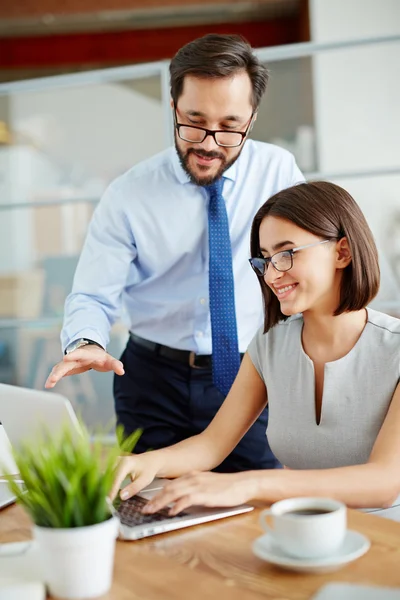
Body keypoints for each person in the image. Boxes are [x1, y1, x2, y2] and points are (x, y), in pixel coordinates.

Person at [45, 34, 303, 472]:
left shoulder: (279, 174)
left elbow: (309, 267)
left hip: (252, 374)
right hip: (151, 380)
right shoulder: (129, 194)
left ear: (252, 119)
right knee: (146, 508)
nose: (208, 143)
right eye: (194, 121)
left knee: (254, 509)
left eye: (229, 126)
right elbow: (93, 293)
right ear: (173, 107)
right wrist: (87, 341)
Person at [110, 181, 400, 519]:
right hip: (300, 536)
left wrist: (250, 485)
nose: (272, 274)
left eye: (286, 253)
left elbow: (384, 483)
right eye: (265, 260)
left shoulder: (394, 350)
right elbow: (212, 445)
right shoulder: (268, 346)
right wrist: (145, 461)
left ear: (342, 252)